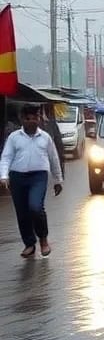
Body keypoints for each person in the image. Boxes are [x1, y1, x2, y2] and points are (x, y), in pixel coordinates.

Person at [0, 103, 64, 258]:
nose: (32, 121)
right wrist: (4, 176)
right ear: (22, 119)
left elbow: (54, 158)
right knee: (22, 213)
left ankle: (43, 239)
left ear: (39, 119)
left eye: (35, 118)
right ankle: (29, 244)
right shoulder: (14, 138)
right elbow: (6, 157)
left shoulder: (45, 137)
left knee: (35, 207)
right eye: (29, 118)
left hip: (39, 176)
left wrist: (58, 179)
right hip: (18, 177)